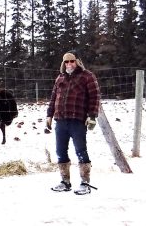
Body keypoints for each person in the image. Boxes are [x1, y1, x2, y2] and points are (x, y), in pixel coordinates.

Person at [46, 51, 101, 195]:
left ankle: (85, 183)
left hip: (78, 120)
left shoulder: (87, 76)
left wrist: (92, 116)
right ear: (63, 64)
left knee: (81, 151)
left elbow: (95, 97)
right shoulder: (60, 78)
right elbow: (53, 98)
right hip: (61, 121)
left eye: (72, 61)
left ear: (77, 61)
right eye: (66, 62)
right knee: (60, 151)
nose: (69, 64)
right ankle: (65, 182)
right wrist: (49, 115)